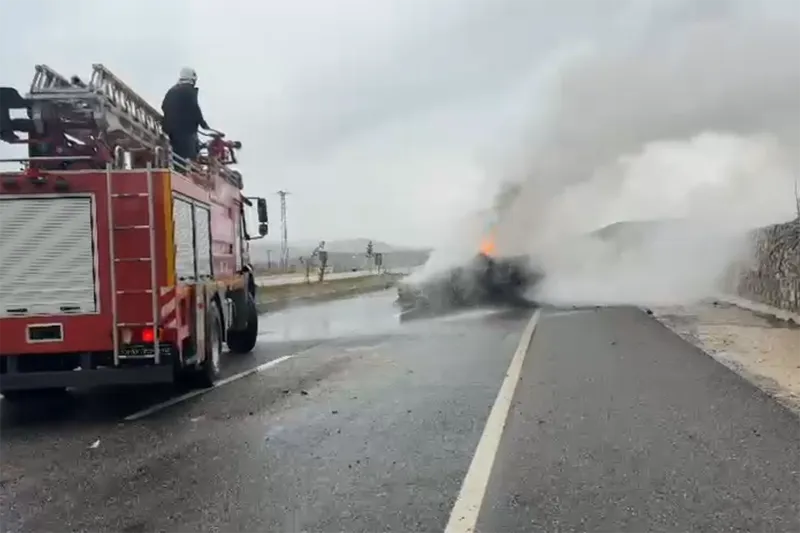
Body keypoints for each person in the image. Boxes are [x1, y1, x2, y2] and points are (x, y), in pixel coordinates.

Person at [161, 67, 209, 161]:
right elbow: (195, 109)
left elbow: (163, 106)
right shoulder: (189, 91)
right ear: (192, 79)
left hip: (170, 130)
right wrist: (203, 124)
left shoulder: (171, 91)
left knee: (176, 154)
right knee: (188, 156)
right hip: (185, 131)